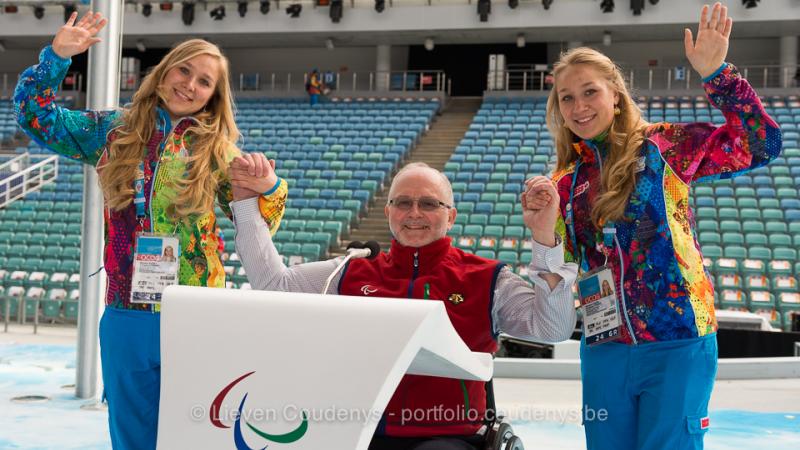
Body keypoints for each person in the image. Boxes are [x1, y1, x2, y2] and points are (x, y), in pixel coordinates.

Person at [14, 12, 287, 450]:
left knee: (199, 433)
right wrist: (56, 57)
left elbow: (257, 228)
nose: (190, 84)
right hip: (127, 312)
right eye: (184, 70)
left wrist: (269, 189)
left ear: (212, 97)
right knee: (133, 434)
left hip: (199, 311)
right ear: (163, 72)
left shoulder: (220, 152)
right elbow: (35, 116)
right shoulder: (112, 131)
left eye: (204, 82)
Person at [545, 4, 782, 450]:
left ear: (615, 95)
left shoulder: (664, 147)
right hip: (603, 346)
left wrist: (719, 76)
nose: (578, 107)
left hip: (677, 343)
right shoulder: (564, 182)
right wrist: (542, 229)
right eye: (567, 97)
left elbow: (761, 146)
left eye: (589, 92)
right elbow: (565, 266)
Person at [229, 158, 577, 450]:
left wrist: (544, 237)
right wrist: (246, 202)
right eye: (403, 203)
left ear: (451, 216)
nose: (414, 213)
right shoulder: (348, 271)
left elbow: (553, 328)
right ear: (388, 211)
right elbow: (273, 284)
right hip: (358, 431)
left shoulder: (488, 279)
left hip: (448, 436)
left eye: (428, 203)